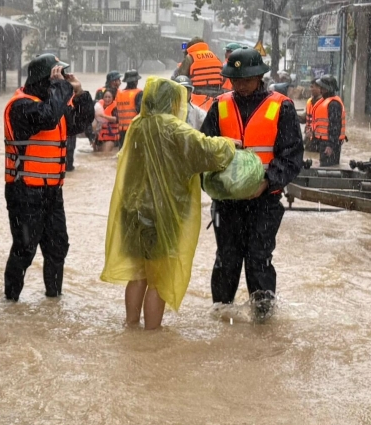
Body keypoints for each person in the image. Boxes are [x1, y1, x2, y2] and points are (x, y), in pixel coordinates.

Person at [101, 78, 235, 330]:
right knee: (158, 279)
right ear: (173, 102)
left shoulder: (137, 125)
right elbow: (206, 150)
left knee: (138, 274)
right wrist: (230, 144)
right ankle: (152, 335)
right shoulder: (174, 128)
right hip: (162, 213)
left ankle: (131, 326)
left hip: (132, 209)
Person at [200, 47, 304, 320]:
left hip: (265, 201)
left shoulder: (281, 106)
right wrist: (213, 185)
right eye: (235, 80)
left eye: (246, 79)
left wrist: (267, 183)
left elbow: (292, 155)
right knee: (226, 259)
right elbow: (204, 150)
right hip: (226, 202)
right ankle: (221, 315)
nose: (241, 85)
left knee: (259, 259)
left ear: (259, 77)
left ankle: (263, 319)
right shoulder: (219, 105)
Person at [2, 53, 94, 301]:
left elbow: (81, 123)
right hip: (24, 191)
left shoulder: (54, 103)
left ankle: (54, 298)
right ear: (44, 80)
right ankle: (11, 301)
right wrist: (61, 88)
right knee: (25, 249)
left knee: (57, 247)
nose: (61, 80)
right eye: (56, 76)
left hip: (52, 192)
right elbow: (47, 117)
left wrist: (80, 94)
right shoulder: (21, 107)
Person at [182, 37, 226, 113]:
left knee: (194, 116)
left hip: (196, 95)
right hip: (217, 94)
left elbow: (181, 77)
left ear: (190, 46)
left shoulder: (190, 57)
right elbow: (223, 76)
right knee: (220, 115)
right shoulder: (215, 57)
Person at [312, 75, 345, 167]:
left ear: (327, 89)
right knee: (325, 167)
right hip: (325, 142)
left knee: (328, 168)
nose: (320, 90)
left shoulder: (333, 104)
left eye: (322, 88)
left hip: (330, 143)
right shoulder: (325, 101)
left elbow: (335, 126)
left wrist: (330, 146)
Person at [115, 70, 142, 142]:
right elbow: (142, 112)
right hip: (134, 130)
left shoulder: (119, 93)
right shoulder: (139, 93)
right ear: (136, 81)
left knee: (122, 149)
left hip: (121, 131)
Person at [301, 78, 323, 151]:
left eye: (312, 87)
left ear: (319, 88)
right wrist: (292, 115)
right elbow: (305, 117)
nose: (310, 89)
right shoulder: (309, 101)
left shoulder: (325, 103)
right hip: (309, 139)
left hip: (320, 140)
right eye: (310, 87)